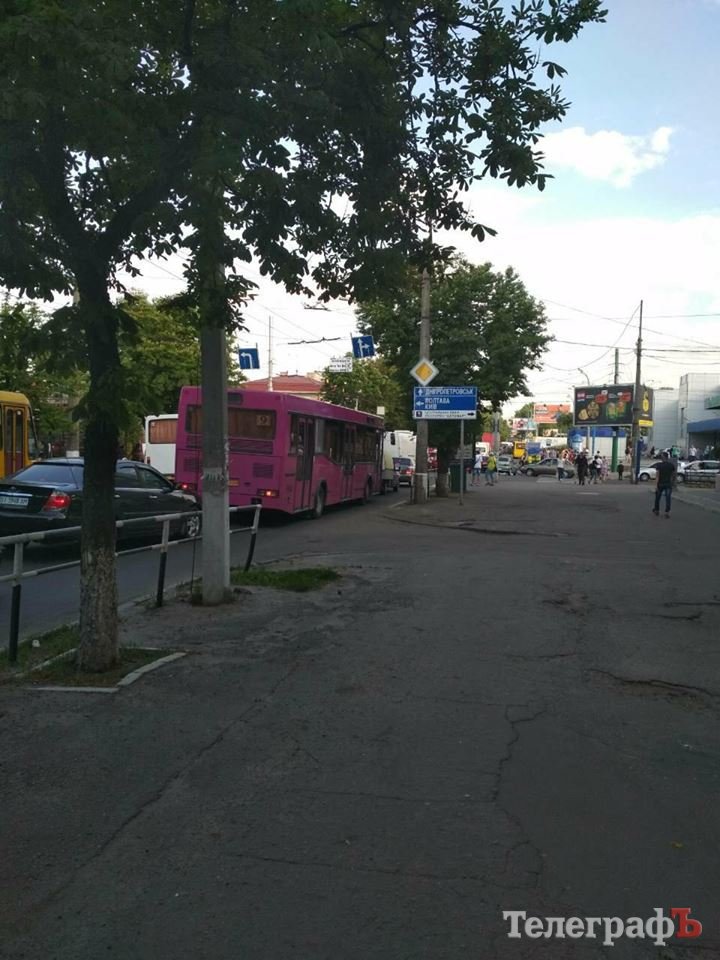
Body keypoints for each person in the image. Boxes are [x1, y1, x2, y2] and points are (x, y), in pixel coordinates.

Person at [653, 451, 676, 518]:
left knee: (657, 498)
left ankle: (657, 510)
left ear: (663, 457)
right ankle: (667, 512)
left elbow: (657, 476)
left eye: (661, 456)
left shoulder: (659, 465)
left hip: (660, 484)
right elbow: (673, 475)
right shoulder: (671, 465)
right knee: (668, 498)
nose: (661, 457)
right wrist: (672, 482)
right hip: (668, 484)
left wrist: (656, 485)